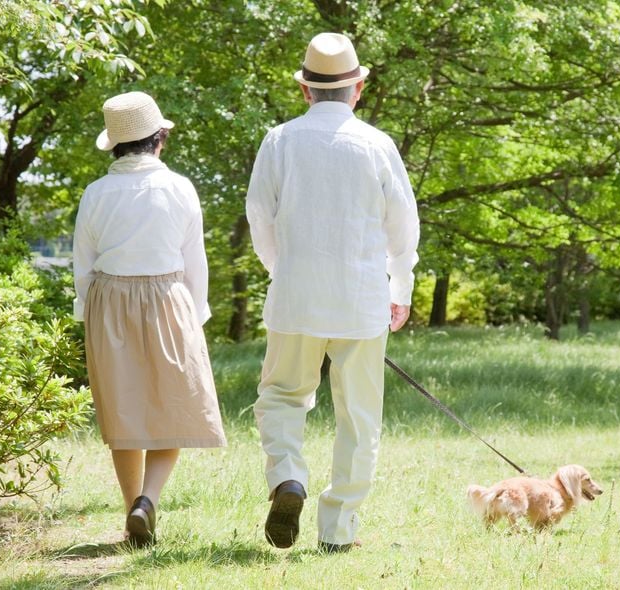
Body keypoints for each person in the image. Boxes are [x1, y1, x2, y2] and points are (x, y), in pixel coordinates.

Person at [246, 32, 420, 553]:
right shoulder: (377, 145)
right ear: (358, 88)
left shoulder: (279, 140)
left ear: (305, 91)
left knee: (281, 397)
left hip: (295, 297)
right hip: (362, 299)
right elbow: (403, 228)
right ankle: (338, 531)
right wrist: (401, 285)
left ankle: (288, 478)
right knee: (359, 418)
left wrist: (285, 269)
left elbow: (260, 217)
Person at [73, 91, 227, 547]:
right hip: (167, 296)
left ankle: (129, 512)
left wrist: (90, 316)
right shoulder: (180, 187)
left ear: (115, 145)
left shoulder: (96, 193)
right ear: (159, 139)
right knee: (172, 407)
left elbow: (83, 264)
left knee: (125, 411)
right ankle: (149, 500)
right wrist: (196, 315)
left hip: (109, 300)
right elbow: (193, 260)